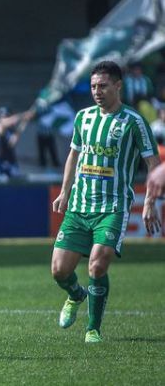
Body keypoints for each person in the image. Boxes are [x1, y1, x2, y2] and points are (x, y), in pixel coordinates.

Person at [51, 61, 160, 343]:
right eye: (93, 86)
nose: (97, 91)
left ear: (118, 86)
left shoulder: (134, 121)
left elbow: (154, 163)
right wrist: (65, 191)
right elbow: (73, 156)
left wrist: (150, 201)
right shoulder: (83, 118)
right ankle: (76, 294)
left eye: (103, 86)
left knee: (97, 266)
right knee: (59, 270)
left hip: (113, 207)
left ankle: (92, 329)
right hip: (79, 205)